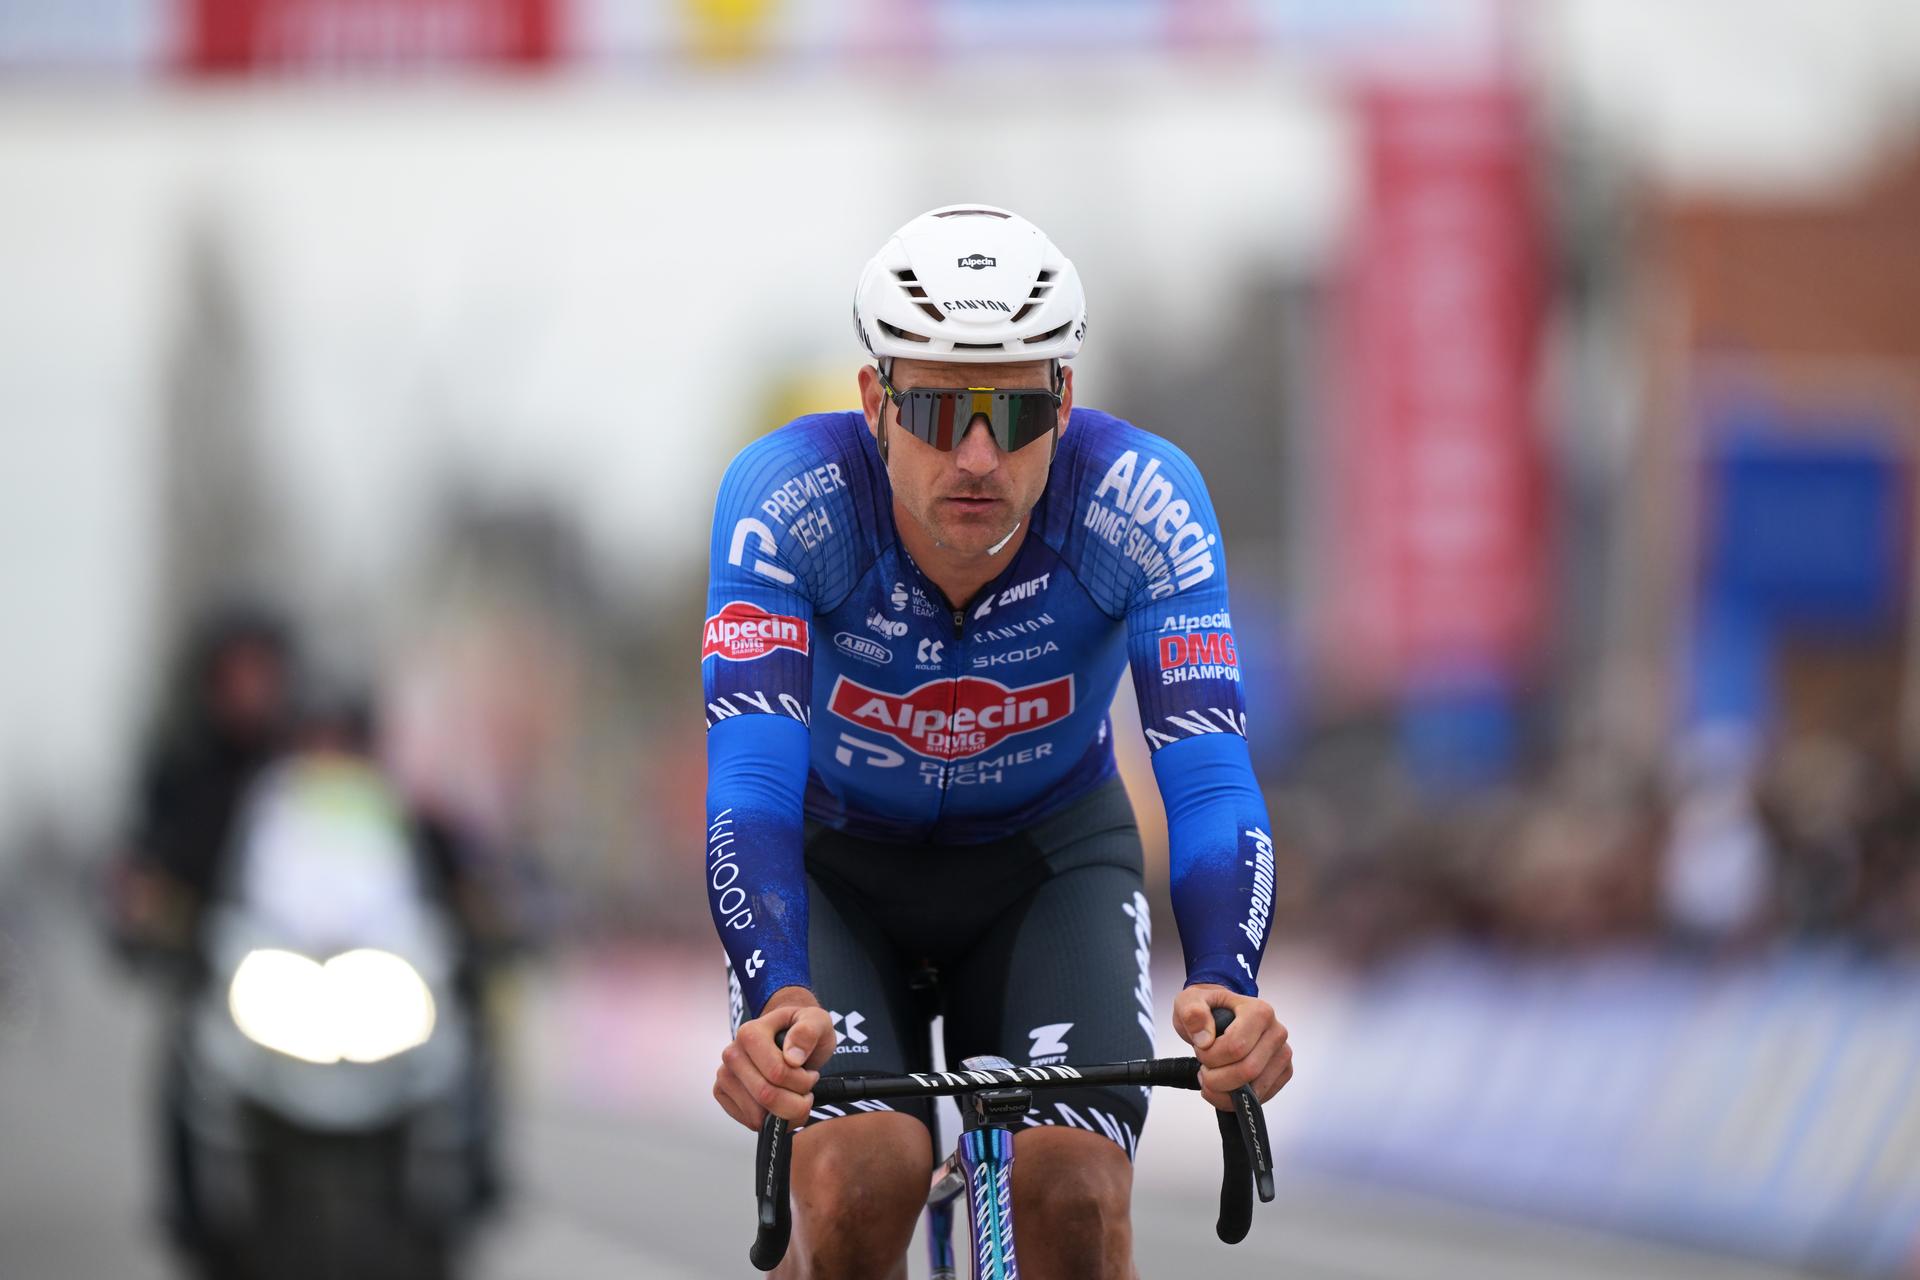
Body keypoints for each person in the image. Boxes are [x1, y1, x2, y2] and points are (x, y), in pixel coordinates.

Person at [704, 204, 1292, 1278]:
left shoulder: (1143, 500)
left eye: (1014, 414)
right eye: (937, 408)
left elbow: (1210, 777)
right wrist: (774, 983)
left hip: (1046, 861)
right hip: (841, 874)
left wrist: (1228, 975)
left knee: (1067, 1196)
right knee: (859, 1184)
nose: (977, 455)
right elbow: (748, 785)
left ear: (1065, 400)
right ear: (875, 399)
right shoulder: (787, 500)